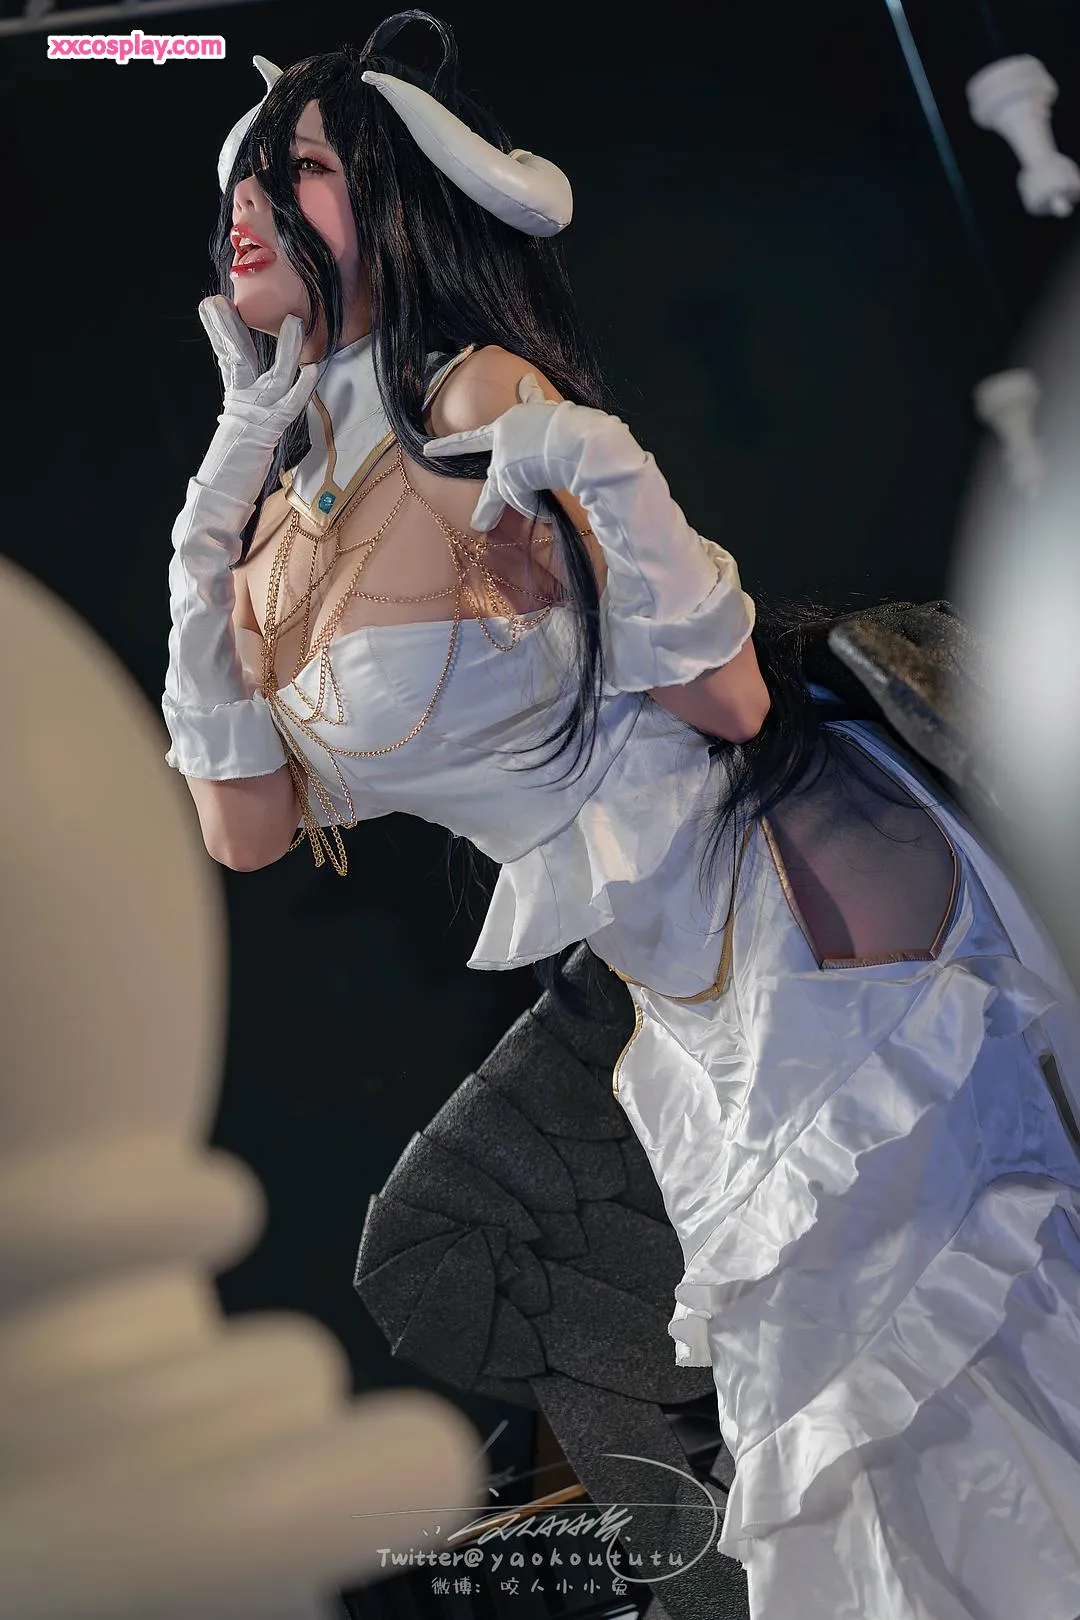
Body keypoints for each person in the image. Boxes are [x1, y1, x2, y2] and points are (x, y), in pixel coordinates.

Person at [161, 13, 1080, 1618]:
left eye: (294, 167)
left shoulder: (477, 396)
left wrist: (594, 476)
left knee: (960, 1365)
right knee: (850, 1433)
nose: (247, 200)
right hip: (674, 994)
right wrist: (220, 485)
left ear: (390, 201)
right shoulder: (274, 539)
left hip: (792, 881)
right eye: (240, 175)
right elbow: (241, 831)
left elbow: (730, 703)